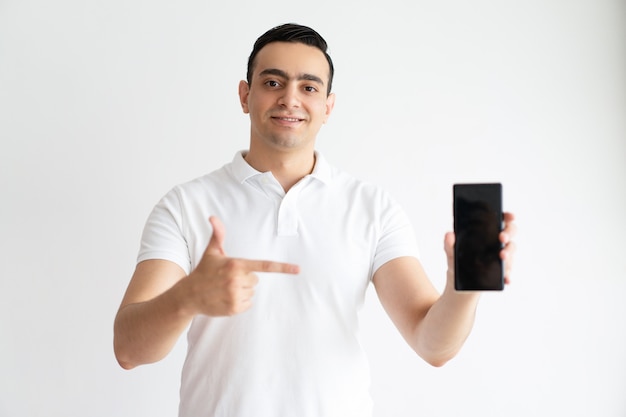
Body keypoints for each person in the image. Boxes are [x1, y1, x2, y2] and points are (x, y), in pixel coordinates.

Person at [114, 23, 517, 417]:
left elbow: (433, 345)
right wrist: (186, 298)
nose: (290, 99)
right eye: (273, 83)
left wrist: (463, 284)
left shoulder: (371, 207)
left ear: (328, 106)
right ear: (244, 94)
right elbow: (128, 349)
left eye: (308, 87)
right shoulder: (185, 205)